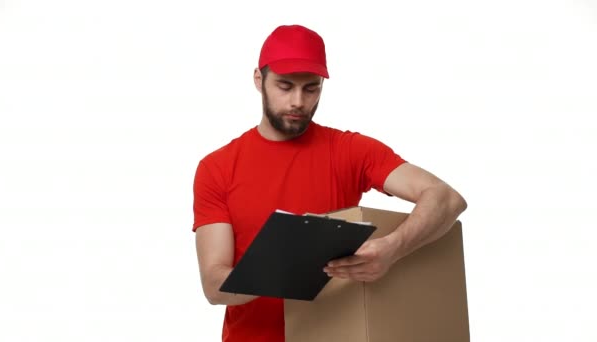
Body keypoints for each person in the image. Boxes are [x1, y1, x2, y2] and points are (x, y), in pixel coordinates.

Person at [192, 24, 467, 342]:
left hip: (336, 334)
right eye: (284, 86)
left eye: (311, 88)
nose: (298, 101)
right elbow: (214, 285)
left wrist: (393, 249)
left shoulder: (350, 150)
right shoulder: (217, 167)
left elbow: (446, 198)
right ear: (259, 80)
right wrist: (287, 267)